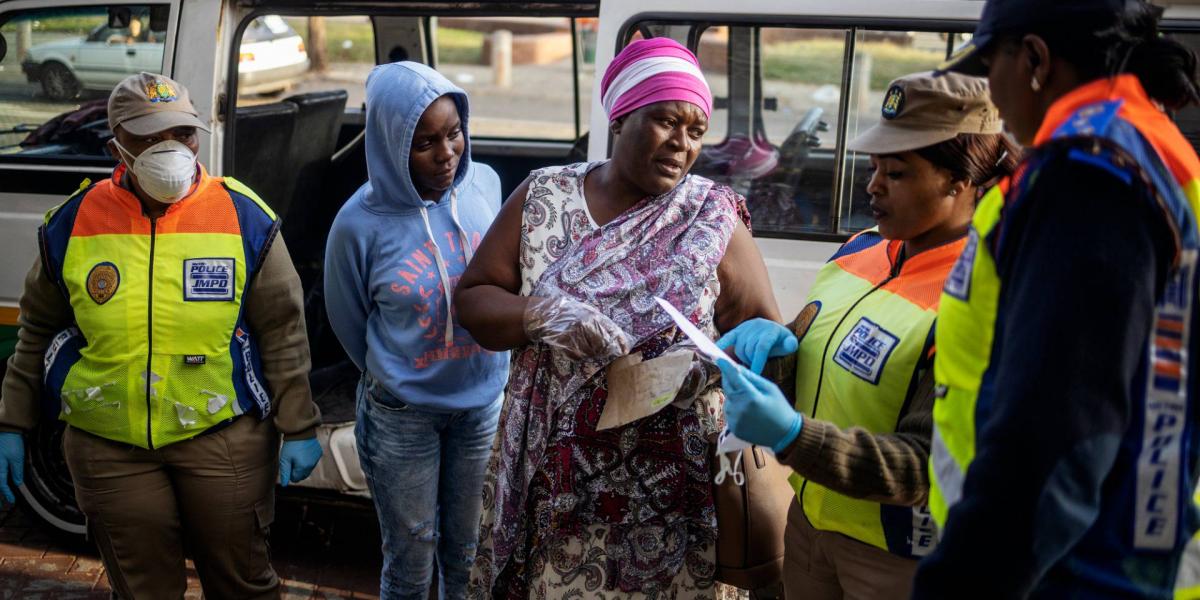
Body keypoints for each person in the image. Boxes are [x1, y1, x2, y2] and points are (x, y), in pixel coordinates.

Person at [457, 37, 780, 599]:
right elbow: (474, 299)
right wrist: (539, 314)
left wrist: (714, 366)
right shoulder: (544, 198)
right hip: (555, 486)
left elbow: (765, 341)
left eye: (697, 131)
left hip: (675, 494)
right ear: (621, 115)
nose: (682, 144)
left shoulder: (710, 217)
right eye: (665, 121)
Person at [909, 1, 1200, 597]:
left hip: (1068, 569)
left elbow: (1052, 432)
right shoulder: (1144, 145)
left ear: (1036, 59)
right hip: (1118, 546)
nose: (990, 90)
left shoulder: (1088, 174)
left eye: (991, 64)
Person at [0, 72, 322, 598]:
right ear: (116, 146)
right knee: (144, 588)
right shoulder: (73, 222)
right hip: (109, 445)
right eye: (148, 138)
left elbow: (283, 330)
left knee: (244, 584)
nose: (170, 149)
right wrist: (10, 421)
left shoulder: (243, 216)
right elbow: (36, 329)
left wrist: (301, 424)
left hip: (223, 434)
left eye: (182, 134)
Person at [713, 72, 1019, 600]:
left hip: (895, 561)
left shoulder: (982, 294)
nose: (873, 185)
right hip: (809, 528)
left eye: (896, 172)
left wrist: (789, 435)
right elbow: (828, 370)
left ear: (959, 181)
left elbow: (923, 466)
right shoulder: (861, 249)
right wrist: (775, 358)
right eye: (875, 166)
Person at [323, 61, 509, 600]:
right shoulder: (357, 225)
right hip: (403, 416)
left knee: (470, 553)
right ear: (389, 144)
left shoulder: (488, 187)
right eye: (424, 142)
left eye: (454, 133)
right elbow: (348, 321)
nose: (447, 153)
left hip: (481, 406)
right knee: (410, 557)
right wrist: (402, 372)